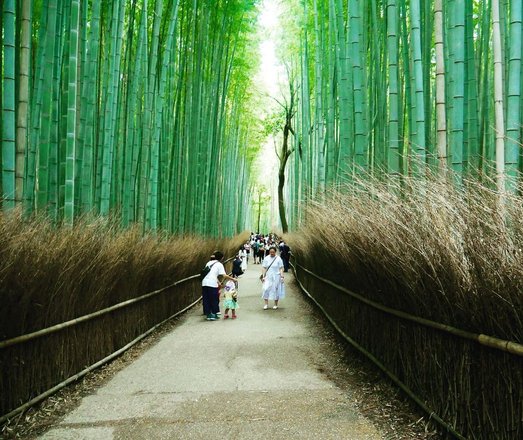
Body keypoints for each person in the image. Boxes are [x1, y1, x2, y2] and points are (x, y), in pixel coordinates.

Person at [202, 251, 237, 321]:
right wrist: (233, 279)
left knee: (206, 299)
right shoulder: (219, 264)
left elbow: (211, 274)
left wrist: (218, 282)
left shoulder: (208, 263)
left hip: (204, 283)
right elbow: (224, 275)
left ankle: (208, 314)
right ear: (221, 258)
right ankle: (213, 314)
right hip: (212, 284)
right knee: (214, 299)